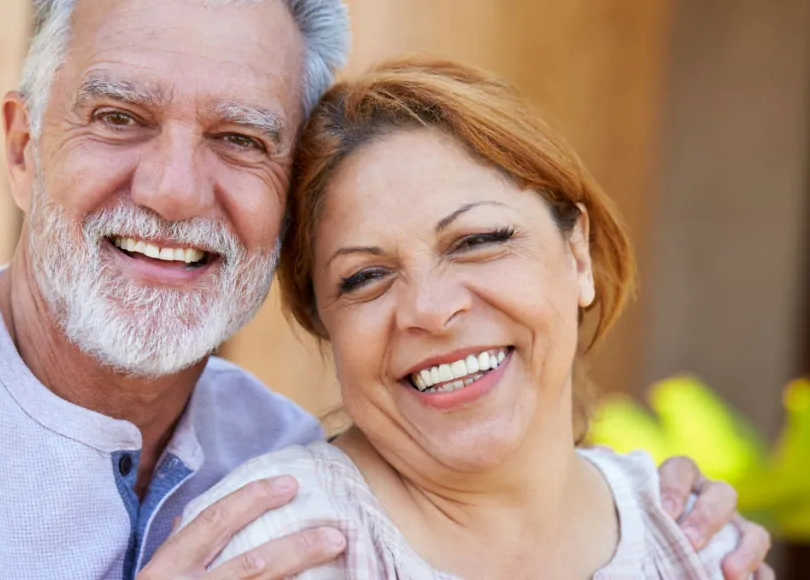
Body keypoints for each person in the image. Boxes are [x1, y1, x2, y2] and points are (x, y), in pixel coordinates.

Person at [0, 1, 769, 579]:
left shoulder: (273, 446)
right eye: (119, 118)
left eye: (241, 138)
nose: (172, 190)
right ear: (21, 149)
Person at [174, 57, 773, 579]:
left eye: (478, 240)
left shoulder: (695, 541)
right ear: (324, 324)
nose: (432, 311)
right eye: (365, 278)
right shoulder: (273, 548)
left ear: (578, 256)